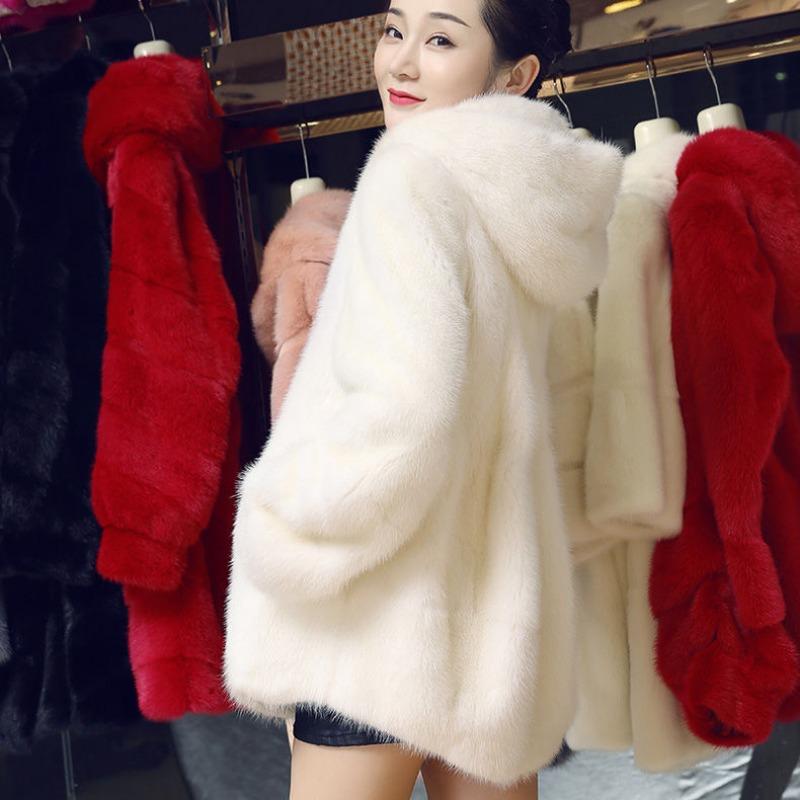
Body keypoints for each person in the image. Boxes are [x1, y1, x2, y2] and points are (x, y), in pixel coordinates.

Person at [224, 1, 623, 798]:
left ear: (516, 73)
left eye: (440, 39)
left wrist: (282, 519)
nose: (400, 62)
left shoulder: (412, 177)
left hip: (381, 630)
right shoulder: (527, 198)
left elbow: (402, 417)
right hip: (491, 636)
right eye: (394, 29)